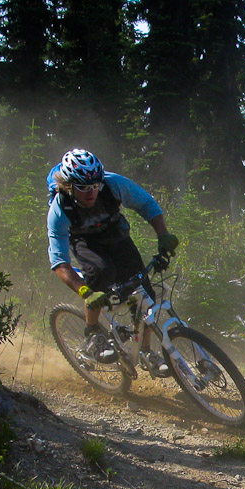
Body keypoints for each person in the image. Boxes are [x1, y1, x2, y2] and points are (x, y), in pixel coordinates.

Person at [47, 148, 179, 376]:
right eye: (83, 188)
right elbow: (59, 262)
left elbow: (147, 204)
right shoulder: (59, 208)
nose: (91, 192)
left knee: (144, 292)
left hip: (116, 235)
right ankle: (93, 334)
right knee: (101, 272)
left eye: (95, 186)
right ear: (69, 186)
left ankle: (146, 351)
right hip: (85, 241)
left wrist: (163, 236)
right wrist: (85, 292)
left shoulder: (112, 183)